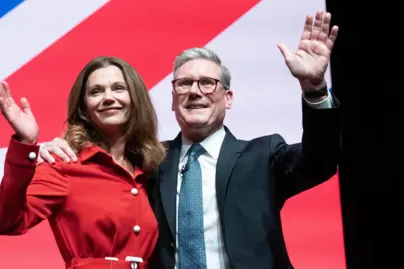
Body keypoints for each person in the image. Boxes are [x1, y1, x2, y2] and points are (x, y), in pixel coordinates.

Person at [38, 10, 341, 269]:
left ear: (228, 97)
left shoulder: (263, 155)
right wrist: (55, 150)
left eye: (208, 83)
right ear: (172, 99)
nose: (195, 91)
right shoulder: (149, 162)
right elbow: (98, 172)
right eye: (183, 84)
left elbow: (321, 161)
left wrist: (314, 88)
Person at [0, 56, 167, 269]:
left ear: (136, 98)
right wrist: (26, 144)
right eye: (96, 91)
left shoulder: (150, 170)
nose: (108, 97)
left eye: (119, 88)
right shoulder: (65, 164)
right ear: (84, 108)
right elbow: (7, 222)